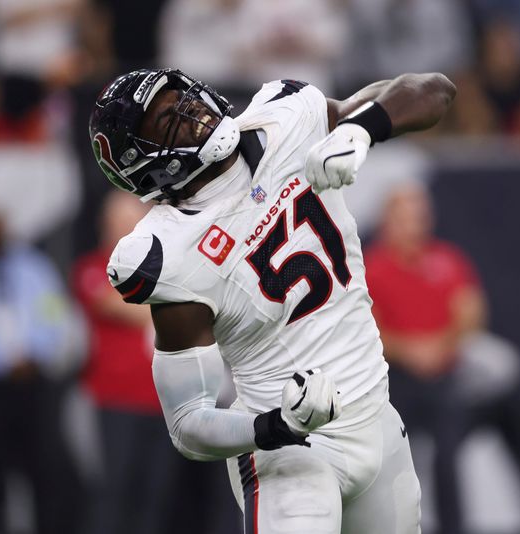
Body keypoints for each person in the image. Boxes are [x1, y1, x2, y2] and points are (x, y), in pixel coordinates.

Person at [88, 68, 455, 533]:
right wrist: (275, 425)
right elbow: (187, 424)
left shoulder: (286, 120)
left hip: (377, 420)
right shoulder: (171, 253)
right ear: (146, 162)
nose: (192, 111)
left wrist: (361, 129)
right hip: (290, 456)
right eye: (168, 119)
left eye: (184, 98)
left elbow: (437, 91)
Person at [363, 182, 487, 534]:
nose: (413, 225)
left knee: (449, 455)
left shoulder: (448, 260)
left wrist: (440, 347)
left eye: (418, 217)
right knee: (386, 462)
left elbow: (471, 313)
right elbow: (370, 329)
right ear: (389, 221)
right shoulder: (372, 267)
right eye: (405, 218)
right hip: (393, 379)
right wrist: (411, 350)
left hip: (444, 375)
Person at [0, 209, 81, 534]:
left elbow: (55, 314)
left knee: (43, 466)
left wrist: (34, 354)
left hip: (32, 381)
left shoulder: (34, 269)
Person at [72, 191, 180, 534]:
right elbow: (113, 303)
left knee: (154, 497)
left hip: (161, 401)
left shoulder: (162, 270)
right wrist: (167, 307)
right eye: (119, 221)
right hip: (113, 400)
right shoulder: (92, 266)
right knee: (112, 494)